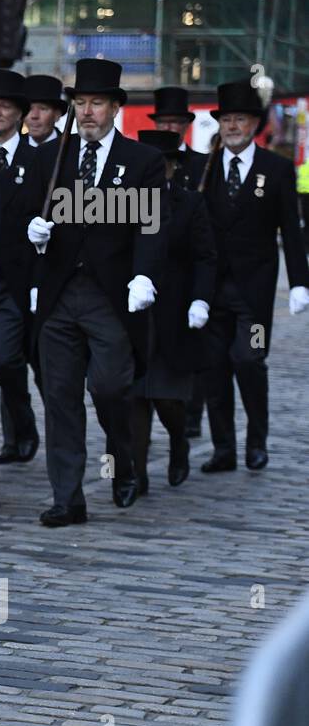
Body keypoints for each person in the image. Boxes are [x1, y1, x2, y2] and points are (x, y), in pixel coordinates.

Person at [27, 58, 166, 527]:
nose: (87, 112)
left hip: (111, 295)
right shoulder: (50, 157)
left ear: (115, 108)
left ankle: (124, 456)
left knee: (109, 387)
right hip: (59, 293)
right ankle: (68, 498)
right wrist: (35, 238)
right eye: (81, 103)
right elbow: (24, 219)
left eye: (97, 103)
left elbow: (150, 228)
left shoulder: (141, 161)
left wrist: (145, 276)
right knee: (60, 396)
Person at [198, 80, 309, 474]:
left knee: (249, 359)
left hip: (255, 295)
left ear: (254, 125)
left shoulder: (275, 169)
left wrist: (300, 282)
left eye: (239, 119)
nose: (231, 126)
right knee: (214, 367)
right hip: (212, 291)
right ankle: (223, 447)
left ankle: (256, 441)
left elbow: (291, 231)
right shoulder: (206, 167)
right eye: (225, 119)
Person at [124, 130, 217, 492]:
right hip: (134, 313)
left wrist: (200, 300)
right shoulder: (125, 202)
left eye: (162, 163)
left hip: (175, 313)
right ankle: (138, 473)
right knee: (134, 396)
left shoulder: (190, 203)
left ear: (174, 166)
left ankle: (179, 442)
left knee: (165, 398)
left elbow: (205, 257)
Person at [0, 68, 44, 471]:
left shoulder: (38, 159)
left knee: (4, 360)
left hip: (16, 283)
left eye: (5, 106)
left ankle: (24, 424)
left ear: (20, 114)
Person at [24, 74, 64, 147]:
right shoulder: (13, 148)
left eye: (43, 109)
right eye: (29, 109)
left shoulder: (70, 147)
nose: (34, 115)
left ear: (57, 115)